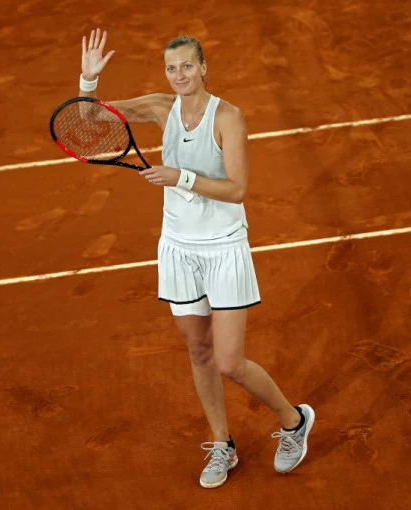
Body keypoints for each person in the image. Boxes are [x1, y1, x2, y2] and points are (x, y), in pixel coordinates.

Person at [76, 28, 315, 488]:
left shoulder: (229, 117)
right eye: (172, 68)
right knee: (199, 350)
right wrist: (89, 80)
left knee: (229, 361)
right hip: (179, 249)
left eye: (187, 66)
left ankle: (294, 420)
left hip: (223, 247)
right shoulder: (159, 107)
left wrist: (180, 177)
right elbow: (89, 117)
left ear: (204, 67)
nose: (179, 75)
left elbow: (237, 189)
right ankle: (222, 443)